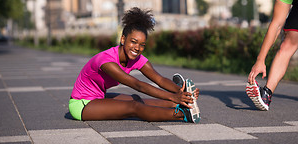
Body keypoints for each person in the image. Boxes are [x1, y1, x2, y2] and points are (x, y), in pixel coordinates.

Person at [69, 7, 201, 123]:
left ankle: (181, 105)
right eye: (133, 41)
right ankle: (183, 115)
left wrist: (182, 93)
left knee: (137, 99)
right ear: (122, 39)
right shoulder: (106, 61)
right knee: (134, 106)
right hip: (82, 104)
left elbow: (159, 79)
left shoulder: (137, 58)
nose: (137, 48)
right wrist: (173, 95)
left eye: (142, 45)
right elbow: (137, 84)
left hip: (99, 97)